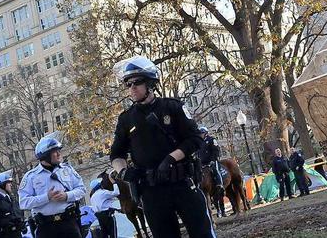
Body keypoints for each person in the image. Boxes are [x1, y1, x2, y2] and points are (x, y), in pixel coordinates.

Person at [109, 55, 215, 238]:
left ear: (150, 84)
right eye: (128, 84)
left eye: (137, 82)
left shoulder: (172, 107)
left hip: (182, 182)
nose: (132, 87)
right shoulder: (126, 118)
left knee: (202, 233)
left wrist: (170, 158)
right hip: (151, 189)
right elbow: (116, 154)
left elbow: (195, 139)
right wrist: (123, 171)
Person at [18, 136, 87, 238]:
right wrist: (46, 197)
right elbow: (23, 203)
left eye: (59, 150)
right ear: (45, 155)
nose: (59, 154)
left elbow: (82, 189)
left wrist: (67, 195)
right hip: (46, 228)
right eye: (55, 151)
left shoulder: (67, 170)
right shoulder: (31, 176)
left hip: (69, 224)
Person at [90, 173, 121, 238]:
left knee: (104, 235)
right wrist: (114, 183)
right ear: (100, 185)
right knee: (113, 234)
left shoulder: (92, 197)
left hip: (100, 217)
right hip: (108, 216)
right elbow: (116, 193)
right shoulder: (103, 192)